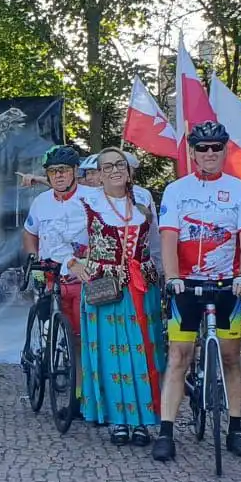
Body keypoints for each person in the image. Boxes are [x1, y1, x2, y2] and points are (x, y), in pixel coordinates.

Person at [154, 121, 241, 463]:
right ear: (193, 152)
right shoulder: (176, 190)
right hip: (186, 284)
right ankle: (166, 432)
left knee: (231, 357)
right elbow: (169, 237)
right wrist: (172, 277)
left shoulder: (240, 190)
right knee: (178, 358)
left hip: (227, 285)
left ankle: (236, 429)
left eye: (216, 147)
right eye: (203, 148)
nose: (210, 153)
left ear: (225, 150)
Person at [70, 147, 160, 445]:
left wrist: (162, 274)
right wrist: (73, 264)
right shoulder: (87, 202)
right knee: (112, 354)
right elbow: (58, 238)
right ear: (98, 173)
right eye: (107, 167)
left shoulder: (144, 199)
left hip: (142, 286)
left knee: (142, 351)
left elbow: (156, 243)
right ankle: (119, 419)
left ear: (129, 168)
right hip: (104, 286)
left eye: (119, 164)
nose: (114, 171)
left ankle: (142, 421)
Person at [22, 144, 91, 420]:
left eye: (63, 170)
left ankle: (81, 397)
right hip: (51, 275)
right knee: (57, 330)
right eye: (52, 172)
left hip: (82, 277)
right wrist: (32, 259)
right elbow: (30, 233)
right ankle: (42, 355)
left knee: (81, 339)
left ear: (75, 171)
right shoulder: (40, 203)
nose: (58, 176)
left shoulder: (91, 198)